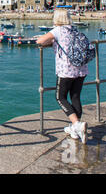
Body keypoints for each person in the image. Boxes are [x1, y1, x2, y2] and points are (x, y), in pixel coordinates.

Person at [36, 9, 88, 144]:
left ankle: (77, 125)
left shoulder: (58, 30)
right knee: (75, 96)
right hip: (81, 69)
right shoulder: (74, 30)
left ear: (56, 19)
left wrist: (51, 40)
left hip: (66, 70)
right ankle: (75, 130)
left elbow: (40, 41)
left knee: (60, 97)